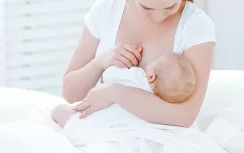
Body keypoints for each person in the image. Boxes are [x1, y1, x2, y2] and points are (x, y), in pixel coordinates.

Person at [62, 0, 216, 130]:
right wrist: (101, 62)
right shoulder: (105, 11)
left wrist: (114, 93)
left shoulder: (196, 25)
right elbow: (70, 94)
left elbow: (185, 116)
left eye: (170, 7)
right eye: (147, 7)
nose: (159, 18)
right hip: (107, 131)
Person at [51, 52, 196, 129]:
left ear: (152, 76)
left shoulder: (138, 76)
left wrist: (112, 67)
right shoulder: (158, 103)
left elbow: (111, 74)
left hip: (100, 117)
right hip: (117, 126)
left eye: (155, 61)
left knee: (61, 111)